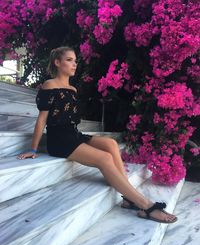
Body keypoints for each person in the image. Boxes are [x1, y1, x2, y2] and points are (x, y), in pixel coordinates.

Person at [17, 46, 177, 224]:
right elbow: (42, 119)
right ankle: (145, 205)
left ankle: (128, 196)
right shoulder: (49, 85)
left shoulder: (73, 90)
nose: (74, 64)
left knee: (110, 144)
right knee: (105, 158)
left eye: (75, 60)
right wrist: (33, 148)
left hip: (74, 134)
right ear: (57, 62)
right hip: (60, 140)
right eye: (69, 60)